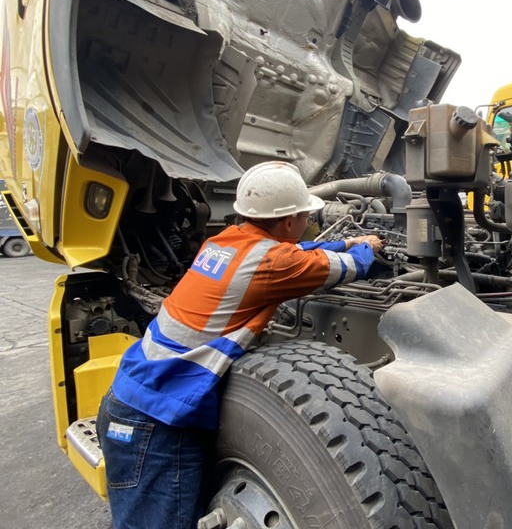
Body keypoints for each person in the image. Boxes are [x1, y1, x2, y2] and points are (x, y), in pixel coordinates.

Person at [96, 161, 382, 529]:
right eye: (304, 214)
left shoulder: (224, 243)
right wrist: (367, 248)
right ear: (289, 221)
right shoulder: (274, 263)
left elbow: (298, 252)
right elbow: (345, 267)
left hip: (132, 400)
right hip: (154, 423)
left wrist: (343, 239)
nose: (307, 220)